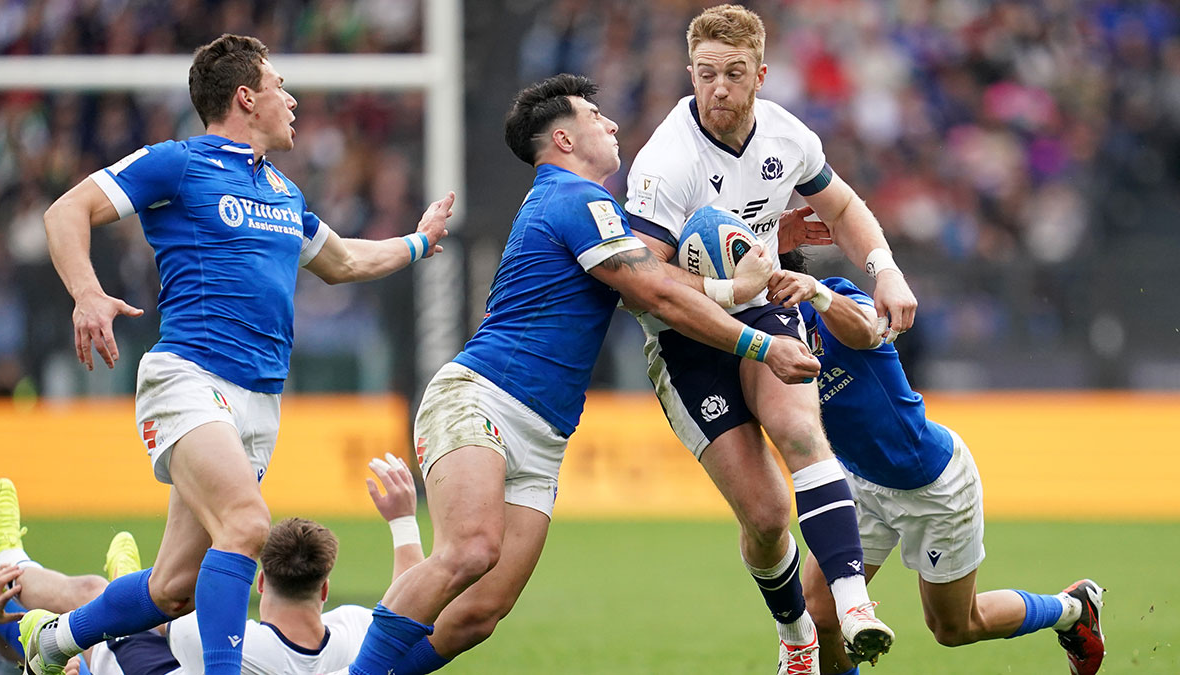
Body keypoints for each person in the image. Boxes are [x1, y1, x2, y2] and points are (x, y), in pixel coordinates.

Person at [336, 72, 821, 675]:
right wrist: (758, 345)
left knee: (481, 611)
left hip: (543, 433)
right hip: (482, 397)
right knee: (470, 552)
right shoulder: (573, 198)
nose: (611, 123)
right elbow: (654, 293)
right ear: (563, 139)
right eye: (595, 116)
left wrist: (761, 247)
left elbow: (656, 280)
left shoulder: (590, 209)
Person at [23, 33, 454, 675]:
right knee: (249, 524)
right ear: (247, 97)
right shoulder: (177, 163)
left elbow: (343, 260)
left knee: (173, 587)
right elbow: (67, 211)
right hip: (190, 378)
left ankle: (53, 641)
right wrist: (87, 295)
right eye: (280, 85)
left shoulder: (283, 191)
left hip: (260, 402)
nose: (292, 98)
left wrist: (417, 243)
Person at [622, 5, 915, 670]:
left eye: (731, 74)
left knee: (802, 431)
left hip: (761, 308)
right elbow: (645, 283)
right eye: (704, 74)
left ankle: (852, 603)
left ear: (760, 74)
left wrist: (886, 270)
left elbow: (840, 206)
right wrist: (735, 288)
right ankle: (795, 635)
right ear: (689, 73)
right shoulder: (665, 163)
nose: (717, 88)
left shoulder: (788, 135)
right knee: (766, 514)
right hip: (684, 336)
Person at [764, 254, 1105, 675]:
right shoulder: (761, 335)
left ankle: (1072, 609)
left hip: (933, 484)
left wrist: (817, 293)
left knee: (955, 627)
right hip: (858, 485)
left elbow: (871, 331)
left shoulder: (834, 297)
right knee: (819, 615)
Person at [0, 455, 427, 675]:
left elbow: (153, 612)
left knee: (101, 600)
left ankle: (7, 561)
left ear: (259, 582)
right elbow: (410, 607)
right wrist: (404, 520)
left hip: (139, 664)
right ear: (324, 589)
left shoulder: (226, 640)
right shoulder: (354, 637)